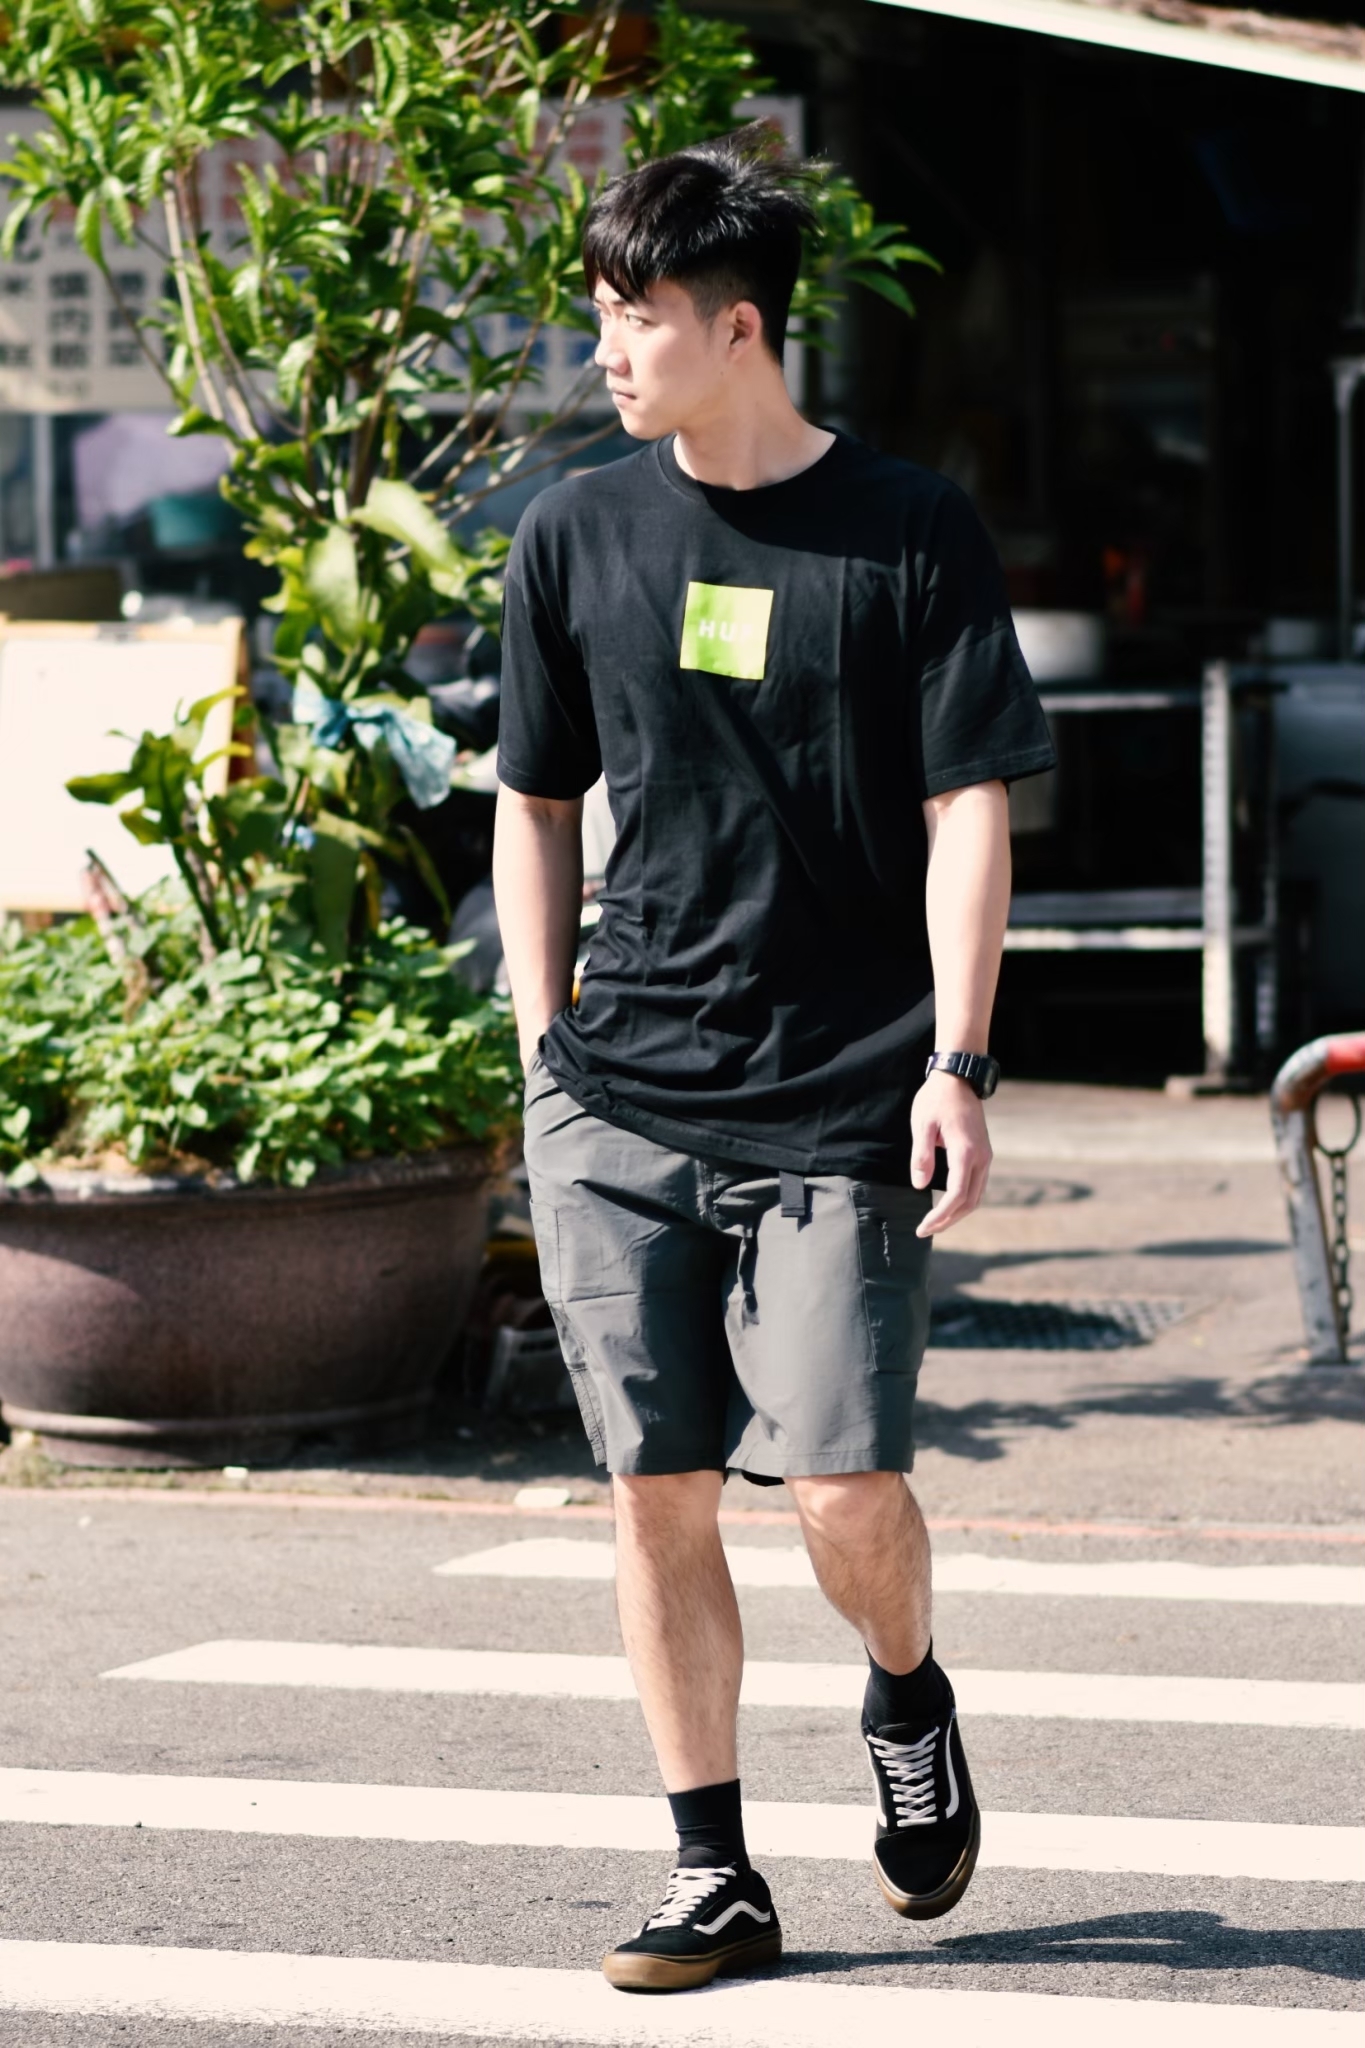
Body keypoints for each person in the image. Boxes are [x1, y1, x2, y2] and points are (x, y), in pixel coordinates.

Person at [492, 124, 1055, 1994]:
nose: (605, 352)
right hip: (620, 1091)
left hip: (840, 1085)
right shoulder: (575, 530)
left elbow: (970, 804)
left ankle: (904, 1689)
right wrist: (542, 1044)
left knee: (839, 1488)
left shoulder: (905, 529)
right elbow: (535, 796)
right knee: (654, 1491)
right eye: (599, 315)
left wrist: (957, 1059)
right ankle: (711, 1871)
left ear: (739, 328)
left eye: (635, 317)